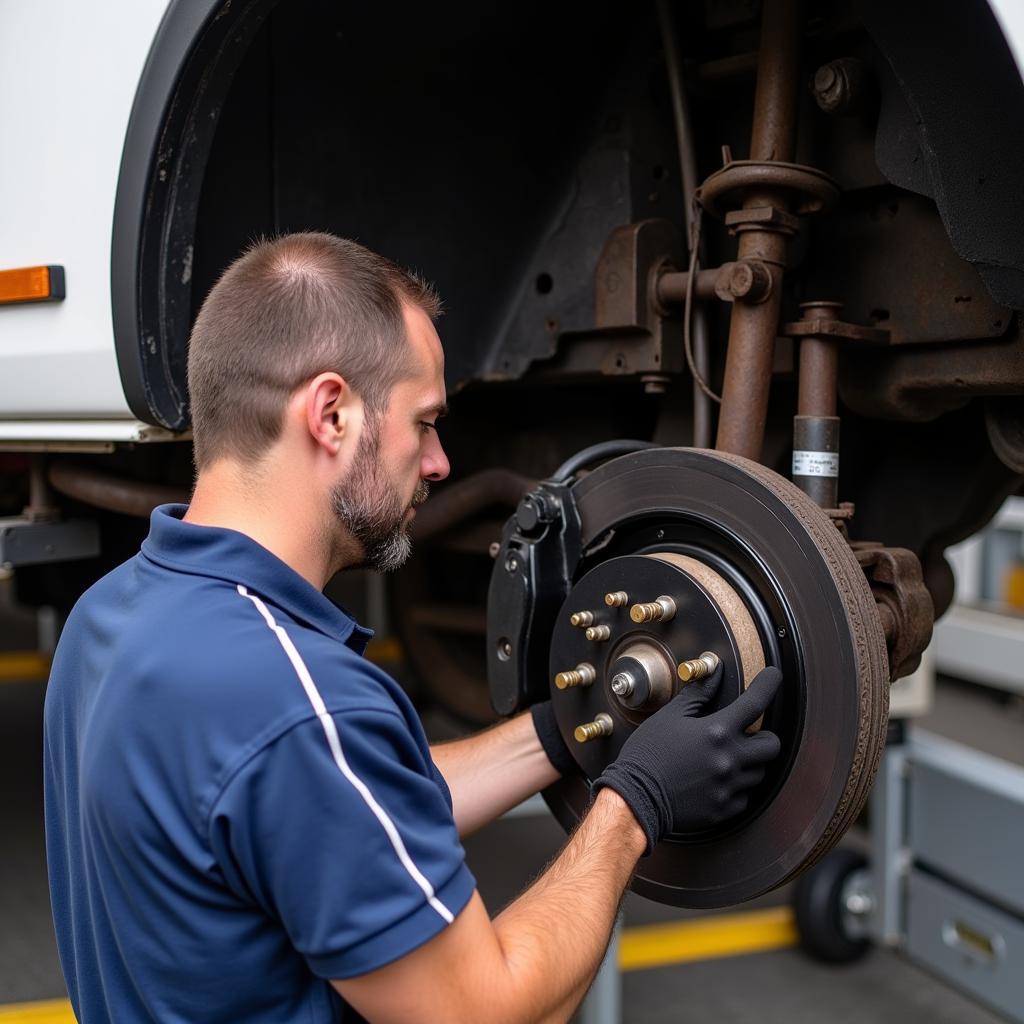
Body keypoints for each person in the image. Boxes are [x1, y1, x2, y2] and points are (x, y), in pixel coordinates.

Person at [44, 232, 782, 1023]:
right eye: (424, 423)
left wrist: (568, 730)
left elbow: (346, 814)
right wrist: (635, 803)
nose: (438, 464)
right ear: (331, 413)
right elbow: (485, 1011)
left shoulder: (112, 614)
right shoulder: (298, 704)